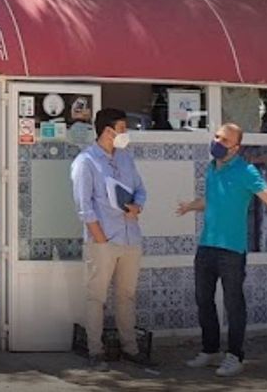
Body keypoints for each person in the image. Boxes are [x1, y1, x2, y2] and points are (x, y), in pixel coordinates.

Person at [176, 123, 267, 377]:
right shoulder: (212, 169)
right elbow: (212, 199)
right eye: (216, 137)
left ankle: (235, 356)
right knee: (204, 300)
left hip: (232, 250)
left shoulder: (246, 171)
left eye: (223, 140)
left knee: (234, 304)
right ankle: (210, 350)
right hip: (206, 247)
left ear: (235, 147)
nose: (217, 142)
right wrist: (191, 206)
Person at [70, 108, 148, 369]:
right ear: (108, 131)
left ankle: (130, 348)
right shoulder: (86, 161)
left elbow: (140, 189)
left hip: (130, 238)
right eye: (123, 129)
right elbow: (84, 207)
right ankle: (96, 350)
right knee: (97, 297)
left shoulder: (126, 157)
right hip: (103, 240)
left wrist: (138, 205)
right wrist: (101, 239)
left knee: (126, 295)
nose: (126, 134)